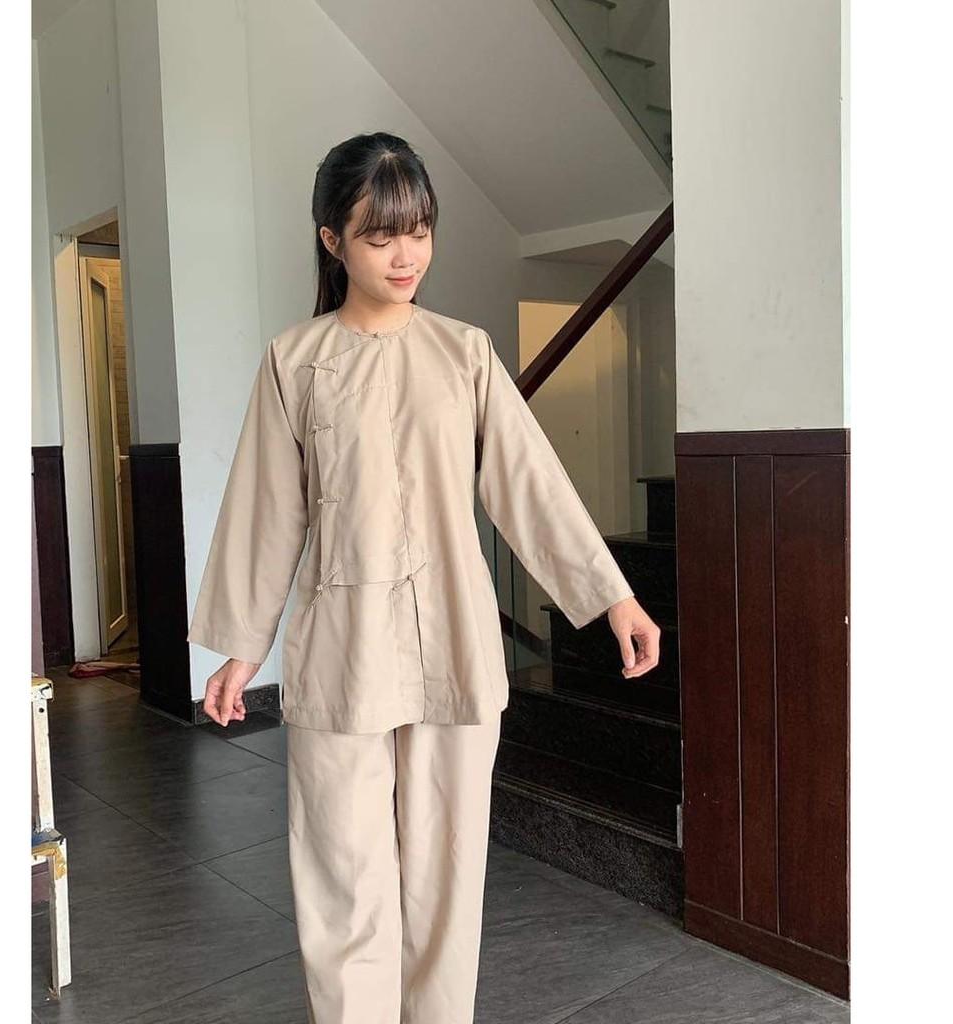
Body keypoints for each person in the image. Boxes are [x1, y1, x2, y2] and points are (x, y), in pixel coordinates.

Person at [187, 131, 660, 1024]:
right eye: (380, 236)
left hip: (454, 641)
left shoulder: (464, 354)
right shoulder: (295, 362)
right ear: (332, 239)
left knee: (447, 875)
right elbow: (267, 511)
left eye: (420, 231)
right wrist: (241, 649)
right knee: (342, 873)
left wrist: (613, 597)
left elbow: (529, 485)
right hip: (342, 648)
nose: (406, 255)